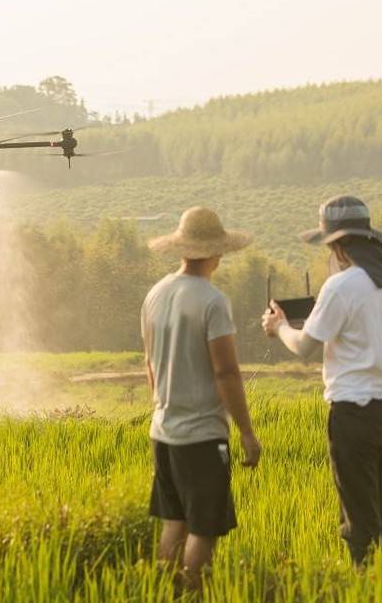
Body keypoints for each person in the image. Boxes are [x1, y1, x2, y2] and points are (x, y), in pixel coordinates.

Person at [262, 195, 382, 566]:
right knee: (381, 510)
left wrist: (279, 325)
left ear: (338, 244)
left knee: (358, 518)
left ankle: (367, 584)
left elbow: (304, 346)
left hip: (354, 416)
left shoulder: (341, 286)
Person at [142, 206, 262, 591]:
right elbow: (225, 371)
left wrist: (163, 405)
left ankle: (164, 593)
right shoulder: (212, 301)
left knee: (173, 521)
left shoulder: (156, 294)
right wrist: (246, 431)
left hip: (163, 430)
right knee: (204, 529)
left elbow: (150, 363)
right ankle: (190, 595)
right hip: (201, 436)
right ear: (216, 252)